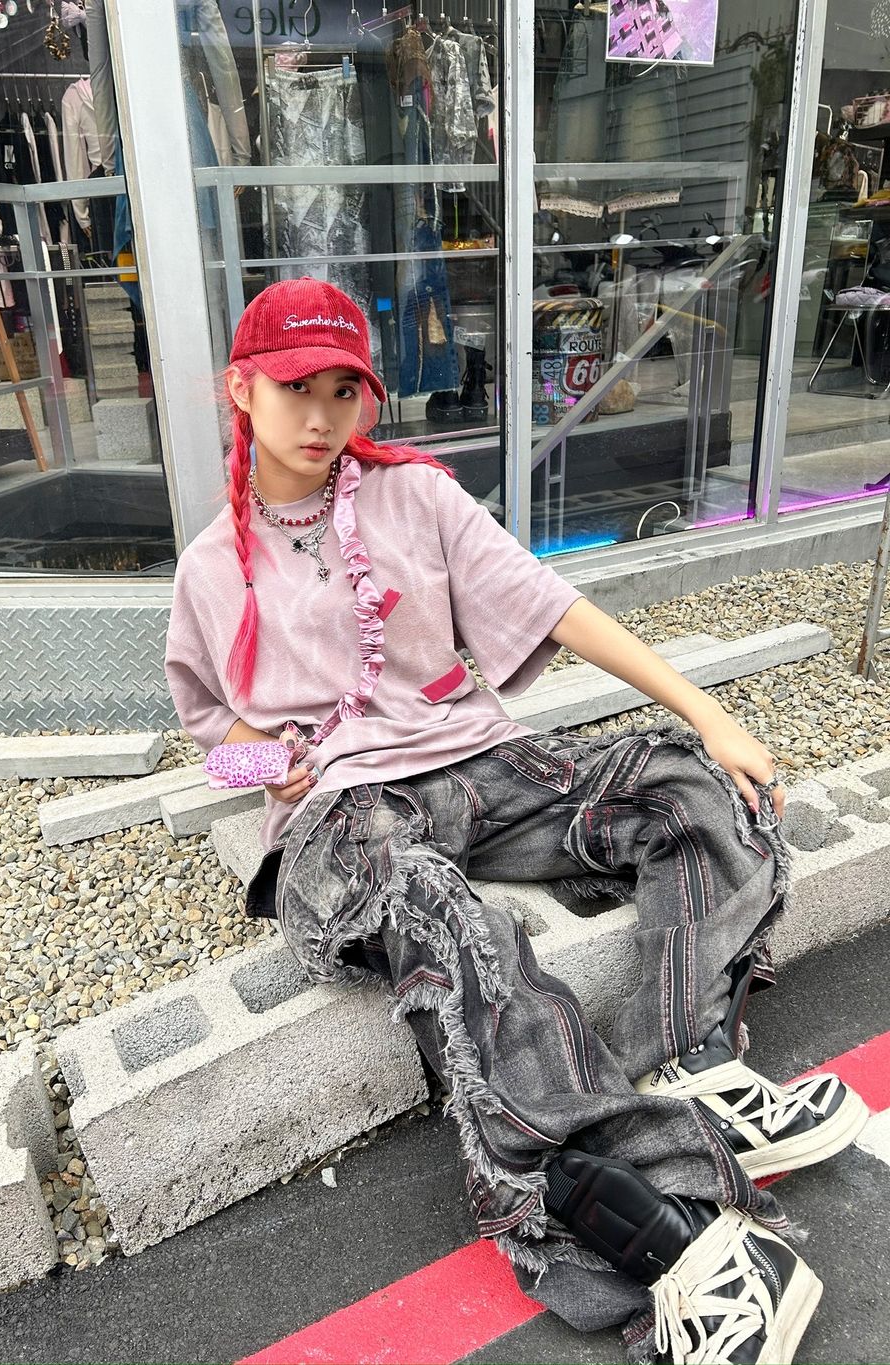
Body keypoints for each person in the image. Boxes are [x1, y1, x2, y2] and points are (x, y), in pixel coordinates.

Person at [165, 277, 868, 1364]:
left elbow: (555, 606)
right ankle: (666, 1230)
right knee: (444, 914)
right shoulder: (212, 566)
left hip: (481, 762)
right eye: (295, 387)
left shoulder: (415, 497)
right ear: (240, 390)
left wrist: (709, 714)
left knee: (683, 782)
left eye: (344, 390)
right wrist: (277, 761)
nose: (321, 415)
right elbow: (214, 739)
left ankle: (687, 1058)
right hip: (347, 816)